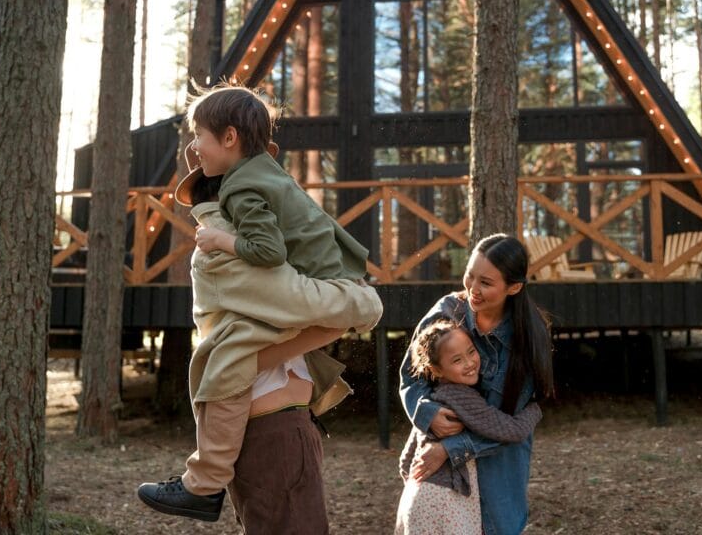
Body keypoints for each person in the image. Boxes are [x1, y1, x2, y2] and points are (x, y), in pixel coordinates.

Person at [138, 96, 381, 531]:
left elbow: (296, 296)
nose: (196, 148)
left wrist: (356, 305)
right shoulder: (235, 233)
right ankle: (204, 482)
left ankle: (204, 483)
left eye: (200, 141)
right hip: (272, 425)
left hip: (279, 427)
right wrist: (357, 305)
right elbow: (303, 309)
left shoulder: (238, 216)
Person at [399, 233, 554, 535]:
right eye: (470, 276)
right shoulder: (446, 311)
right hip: (442, 474)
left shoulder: (528, 338)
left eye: (486, 282)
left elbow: (511, 426)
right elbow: (410, 376)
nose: (472, 289)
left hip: (498, 470)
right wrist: (426, 414)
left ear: (514, 287)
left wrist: (452, 447)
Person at [395, 319, 543, 535]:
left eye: (472, 352)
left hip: (415, 501)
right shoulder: (462, 397)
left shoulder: (431, 402)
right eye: (457, 360)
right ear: (436, 370)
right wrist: (536, 408)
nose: (470, 363)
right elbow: (513, 431)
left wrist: (418, 486)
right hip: (445, 503)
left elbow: (405, 462)